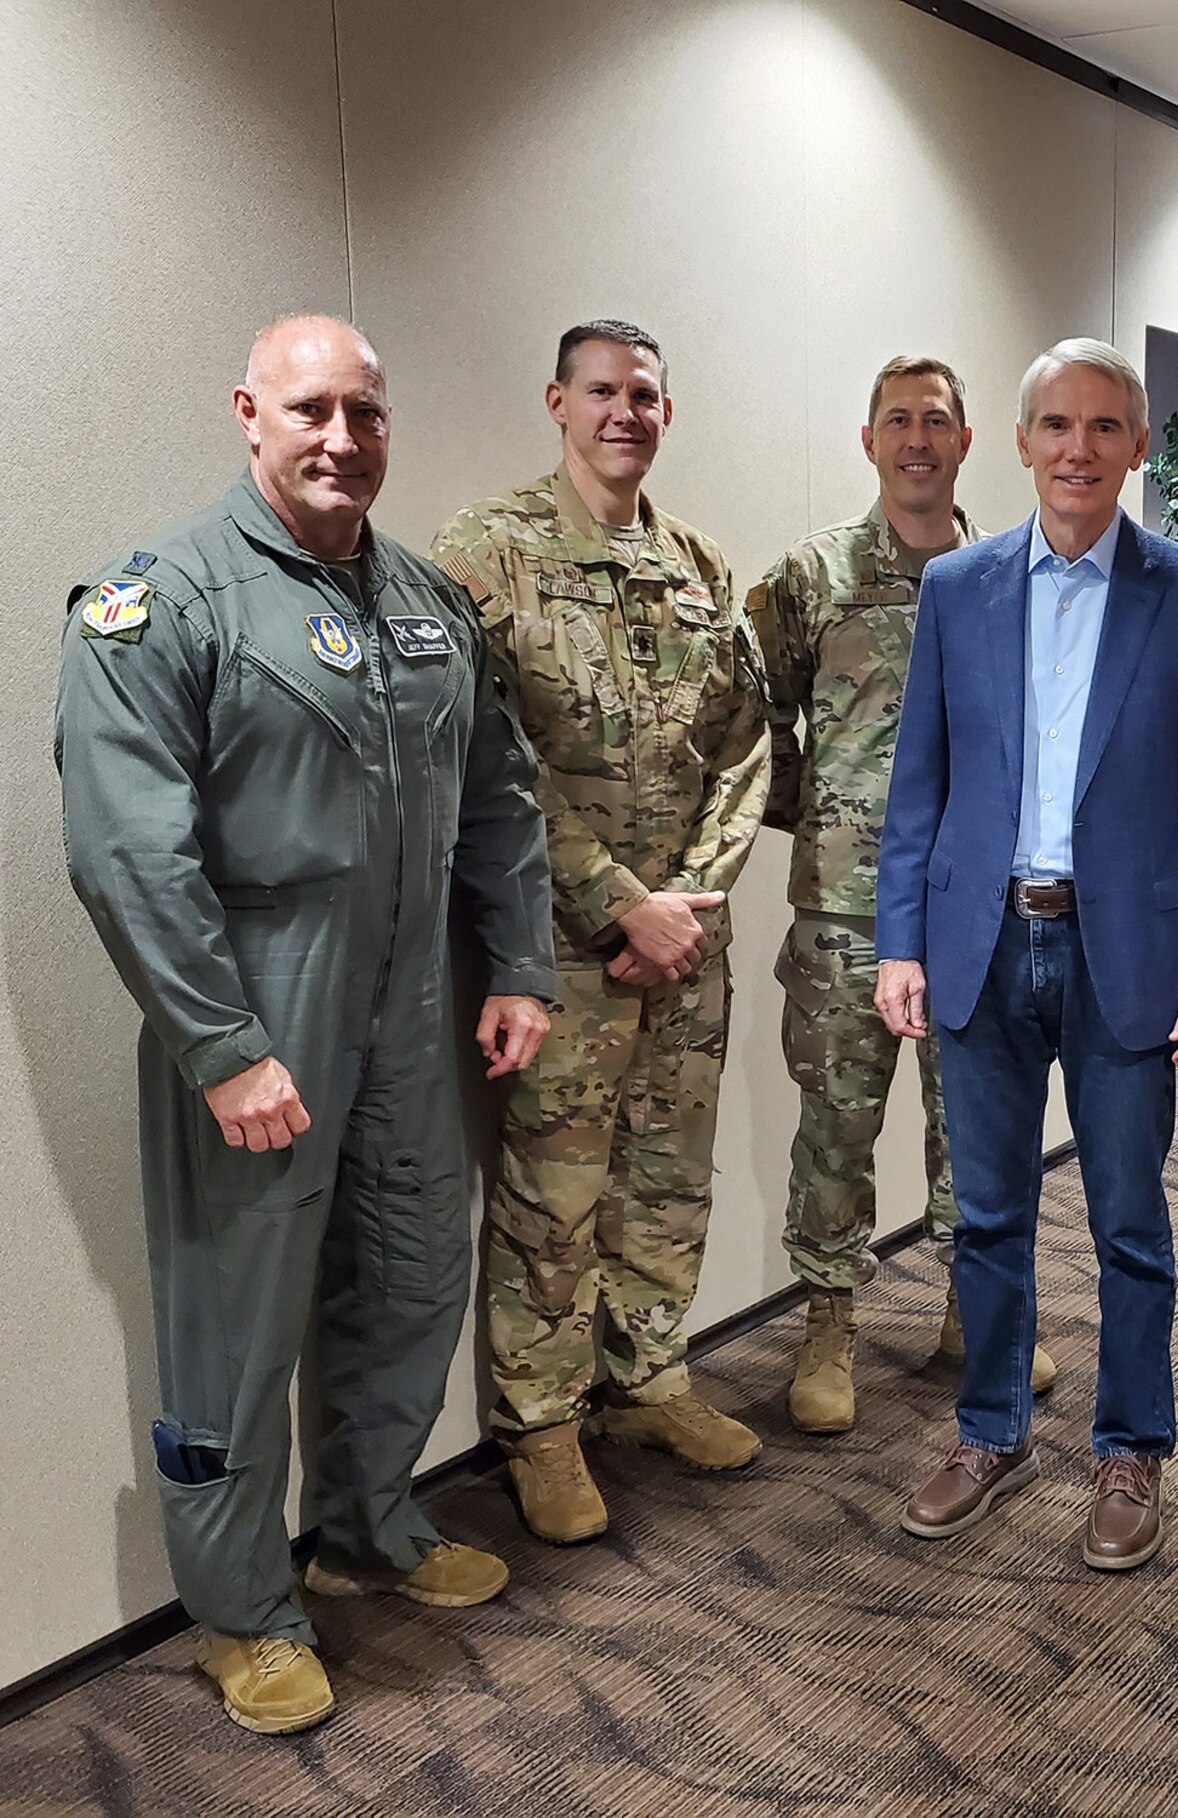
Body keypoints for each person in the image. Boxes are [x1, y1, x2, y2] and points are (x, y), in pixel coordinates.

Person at [56, 315, 556, 1735]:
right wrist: (221, 1042)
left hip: (408, 1004)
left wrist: (517, 961)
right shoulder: (165, 600)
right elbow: (124, 848)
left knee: (408, 1279)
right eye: (310, 410)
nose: (342, 438)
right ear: (247, 414)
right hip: (258, 1000)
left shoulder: (426, 603)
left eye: (366, 413)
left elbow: (502, 796)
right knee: (237, 1316)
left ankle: (366, 1525)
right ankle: (240, 1608)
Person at [875, 337, 1178, 1571]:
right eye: (1056, 426)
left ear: (1138, 448)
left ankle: (1130, 1448)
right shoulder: (957, 588)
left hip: (1125, 954)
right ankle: (990, 1429)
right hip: (979, 945)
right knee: (985, 1213)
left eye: (1105, 428)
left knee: (1126, 1220)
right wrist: (901, 943)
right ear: (1023, 441)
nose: (1079, 451)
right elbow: (917, 789)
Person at [432, 320, 771, 1549]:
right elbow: (487, 759)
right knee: (554, 1192)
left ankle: (651, 1381)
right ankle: (543, 1427)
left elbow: (744, 746)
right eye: (601, 392)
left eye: (644, 395)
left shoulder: (698, 564)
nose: (624, 412)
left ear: (665, 414)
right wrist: (621, 902)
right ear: (556, 404)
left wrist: (686, 901)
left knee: (668, 1174)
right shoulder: (487, 553)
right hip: (562, 947)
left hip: (688, 938)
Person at [747, 356, 1055, 1435]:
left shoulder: (1016, 578)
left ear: (968, 441)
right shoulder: (813, 578)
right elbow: (753, 720)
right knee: (835, 1123)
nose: (916, 439)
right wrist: (822, 814)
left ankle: (976, 1312)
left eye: (936, 421)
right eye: (897, 421)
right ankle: (827, 1321)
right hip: (845, 911)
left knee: (974, 1122)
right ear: (868, 439)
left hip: (974, 907)